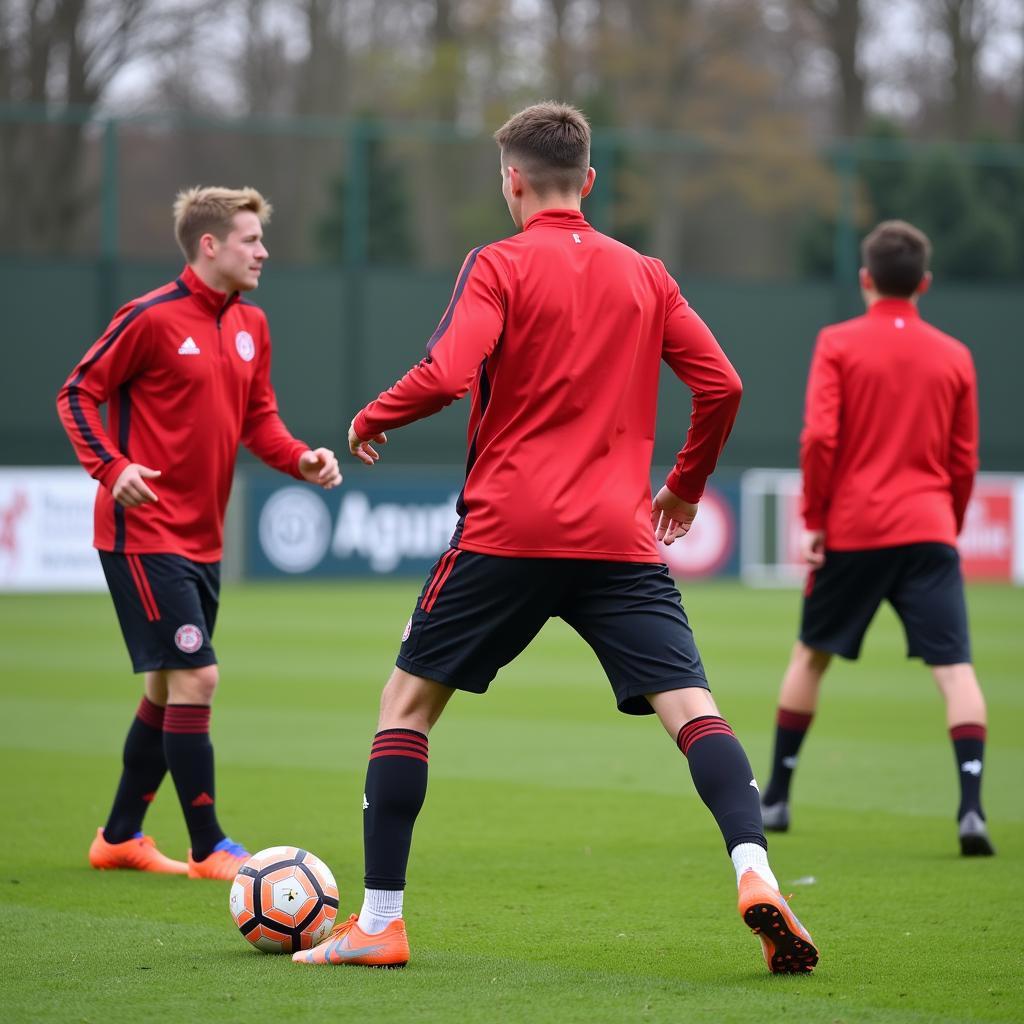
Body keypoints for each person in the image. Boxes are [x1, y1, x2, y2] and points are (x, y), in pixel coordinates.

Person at [294, 102, 818, 974]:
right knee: (693, 710)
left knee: (406, 707)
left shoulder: (496, 264)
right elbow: (721, 385)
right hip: (620, 537)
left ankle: (380, 921)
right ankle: (755, 867)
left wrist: (371, 414)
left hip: (508, 530)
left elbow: (450, 372)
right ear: (591, 180)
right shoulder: (646, 273)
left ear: (511, 180)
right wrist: (683, 488)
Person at [57, 186, 342, 880]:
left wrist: (300, 457)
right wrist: (111, 466)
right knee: (197, 677)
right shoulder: (150, 318)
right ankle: (209, 844)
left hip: (202, 538)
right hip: (142, 533)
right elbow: (76, 393)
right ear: (209, 245)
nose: (264, 251)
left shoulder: (253, 324)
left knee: (166, 688)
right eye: (250, 239)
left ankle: (120, 836)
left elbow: (259, 422)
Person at [759, 219, 993, 857]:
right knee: (956, 671)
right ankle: (971, 810)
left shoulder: (838, 343)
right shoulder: (955, 355)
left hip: (854, 530)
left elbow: (819, 439)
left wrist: (814, 517)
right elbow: (963, 459)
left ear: (866, 279)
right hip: (929, 531)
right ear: (925, 283)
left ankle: (775, 798)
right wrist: (951, 518)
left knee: (811, 657)